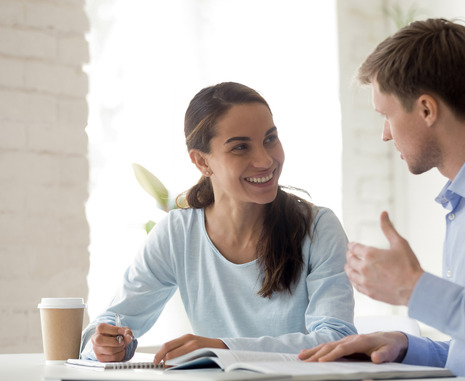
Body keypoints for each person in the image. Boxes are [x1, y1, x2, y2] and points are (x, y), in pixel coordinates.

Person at [299, 18, 465, 380]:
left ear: (426, 109)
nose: (384, 134)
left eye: (387, 115)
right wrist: (408, 346)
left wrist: (415, 289)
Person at [80, 81, 357, 364]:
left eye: (270, 139)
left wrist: (220, 348)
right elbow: (107, 325)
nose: (265, 160)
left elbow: (335, 338)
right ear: (202, 162)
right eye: (240, 147)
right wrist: (108, 345)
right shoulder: (178, 234)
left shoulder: (318, 228)